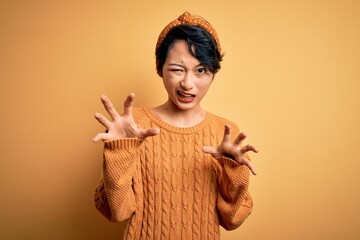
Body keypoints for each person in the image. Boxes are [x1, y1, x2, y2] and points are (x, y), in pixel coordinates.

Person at [92, 11, 258, 240]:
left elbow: (233, 220)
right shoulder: (134, 125)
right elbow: (118, 212)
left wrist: (233, 171)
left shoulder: (226, 133)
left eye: (201, 70)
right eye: (177, 69)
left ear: (213, 73)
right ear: (159, 67)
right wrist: (120, 151)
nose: (188, 84)